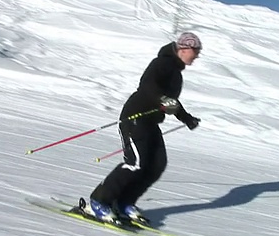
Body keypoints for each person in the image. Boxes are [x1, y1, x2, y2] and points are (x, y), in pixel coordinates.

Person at [87, 32, 203, 224]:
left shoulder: (176, 74)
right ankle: (98, 202)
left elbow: (172, 102)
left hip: (151, 122)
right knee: (136, 163)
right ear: (184, 48)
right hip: (135, 117)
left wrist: (187, 119)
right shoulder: (161, 63)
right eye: (195, 51)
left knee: (157, 165)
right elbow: (148, 86)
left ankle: (124, 202)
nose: (197, 55)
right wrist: (163, 99)